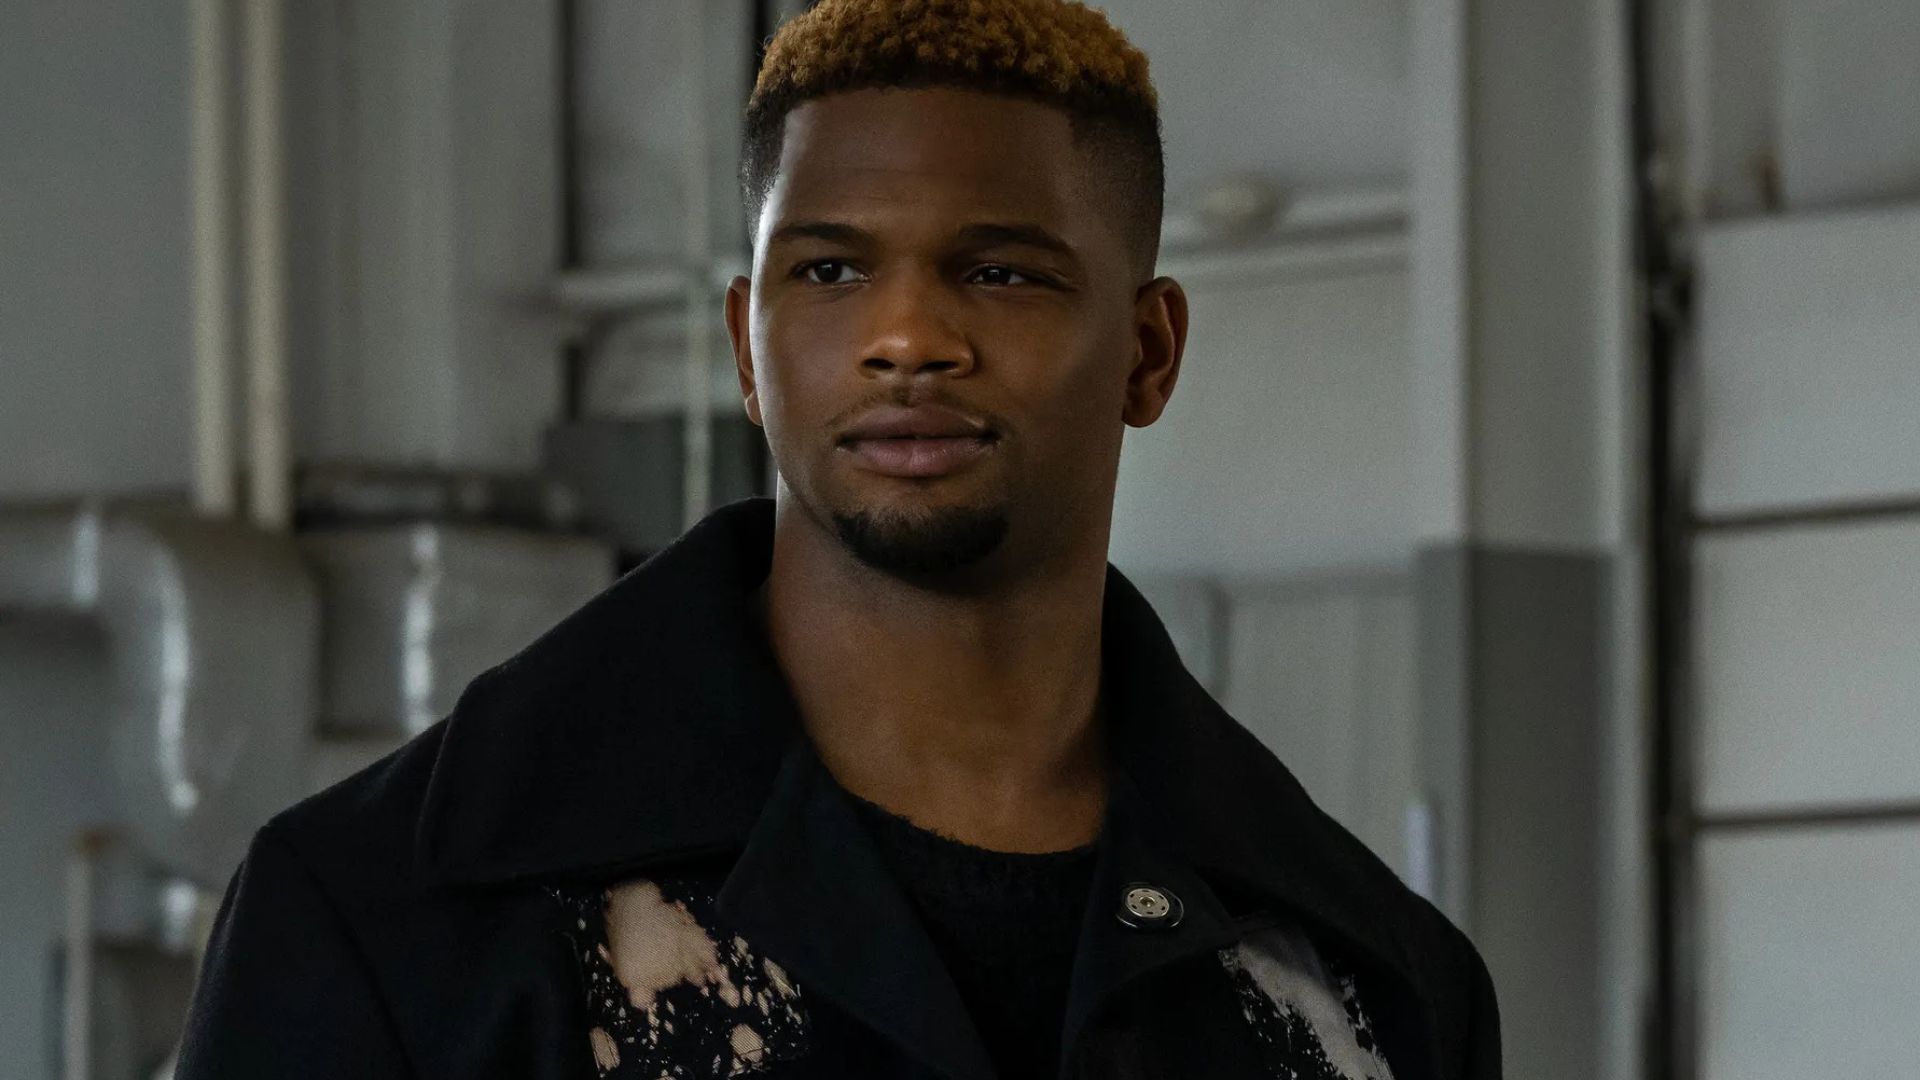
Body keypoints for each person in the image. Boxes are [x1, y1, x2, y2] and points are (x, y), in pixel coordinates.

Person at [176, 1, 1500, 1076]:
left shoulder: (1371, 987)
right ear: (746, 349)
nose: (908, 338)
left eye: (1000, 271)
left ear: (1147, 354)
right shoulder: (391, 921)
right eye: (829, 271)